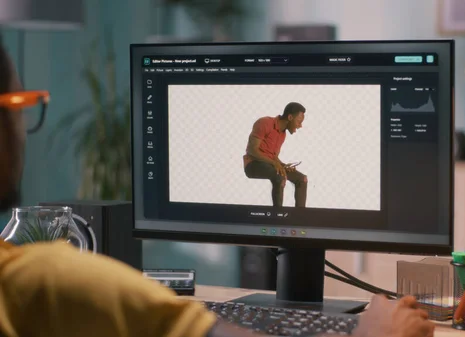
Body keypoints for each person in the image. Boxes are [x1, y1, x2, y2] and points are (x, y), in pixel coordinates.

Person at [0, 39, 435, 337]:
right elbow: (252, 152)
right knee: (283, 175)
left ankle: (295, 213)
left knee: (298, 176)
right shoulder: (47, 283)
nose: (22, 127)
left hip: (273, 167)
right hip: (254, 167)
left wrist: (287, 166)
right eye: (20, 107)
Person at [243, 102, 308, 208]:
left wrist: (283, 165)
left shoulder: (282, 134)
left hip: (269, 165)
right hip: (252, 164)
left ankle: (300, 217)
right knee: (280, 177)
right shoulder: (264, 123)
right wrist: (275, 163)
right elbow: (251, 150)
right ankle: (278, 216)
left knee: (302, 179)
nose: (300, 126)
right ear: (290, 117)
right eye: (299, 121)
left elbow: (273, 156)